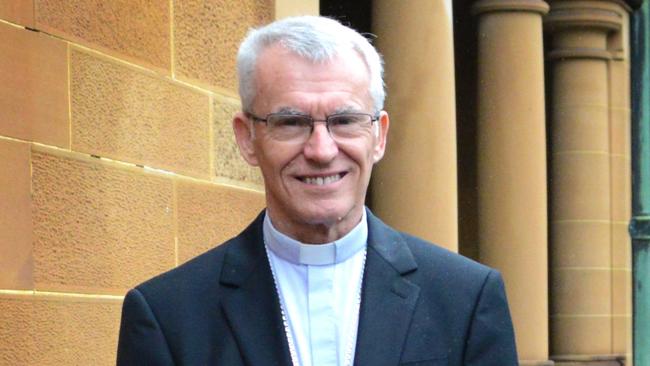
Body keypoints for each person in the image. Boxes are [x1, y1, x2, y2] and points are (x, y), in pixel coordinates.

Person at [117, 16, 518, 366]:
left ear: (378, 136)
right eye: (291, 122)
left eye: (345, 120)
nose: (322, 150)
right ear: (247, 137)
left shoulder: (466, 300)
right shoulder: (167, 316)